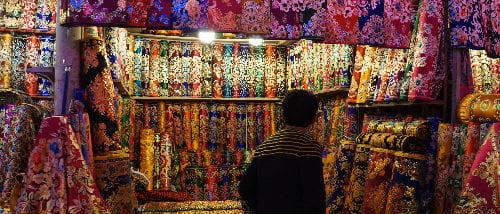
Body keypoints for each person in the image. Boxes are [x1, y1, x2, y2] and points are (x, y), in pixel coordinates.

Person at [238, 89, 326, 214]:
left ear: (283, 116)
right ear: (314, 118)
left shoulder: (265, 146)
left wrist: (262, 208)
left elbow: (245, 188)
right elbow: (314, 195)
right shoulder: (309, 146)